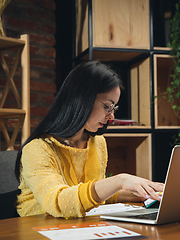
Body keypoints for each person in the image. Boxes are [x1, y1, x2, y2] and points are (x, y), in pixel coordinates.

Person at [15, 60, 164, 218]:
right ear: (82, 98)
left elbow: (91, 195)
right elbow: (57, 202)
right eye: (107, 106)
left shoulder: (97, 143)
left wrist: (147, 193)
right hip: (37, 228)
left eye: (114, 108)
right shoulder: (37, 149)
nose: (112, 116)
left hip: (79, 227)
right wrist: (119, 180)